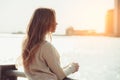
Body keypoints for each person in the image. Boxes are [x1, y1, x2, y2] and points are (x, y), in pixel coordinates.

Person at [21, 7, 79, 80]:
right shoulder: (45, 47)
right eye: (54, 20)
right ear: (46, 23)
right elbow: (60, 76)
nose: (56, 23)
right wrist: (72, 68)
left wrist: (68, 67)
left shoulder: (25, 43)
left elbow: (45, 72)